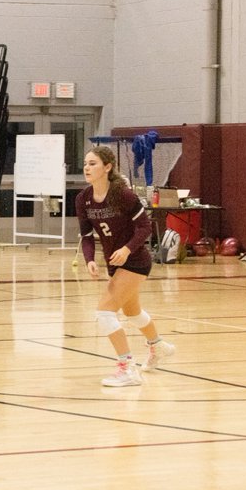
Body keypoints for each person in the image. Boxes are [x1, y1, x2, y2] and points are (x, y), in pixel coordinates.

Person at [77, 145, 175, 387]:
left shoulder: (124, 195)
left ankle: (127, 368)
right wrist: (90, 259)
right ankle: (158, 346)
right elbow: (87, 236)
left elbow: (145, 228)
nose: (87, 168)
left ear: (107, 167)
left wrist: (127, 248)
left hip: (136, 260)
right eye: (86, 163)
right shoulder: (83, 199)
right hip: (114, 262)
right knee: (132, 312)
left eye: (93, 164)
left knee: (104, 311)